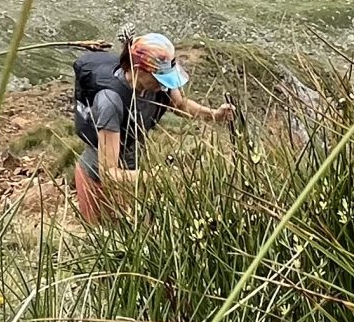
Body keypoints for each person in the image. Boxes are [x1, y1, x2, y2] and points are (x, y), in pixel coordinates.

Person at [71, 32, 235, 223]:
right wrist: (152, 177)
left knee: (137, 229)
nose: (165, 85)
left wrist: (214, 115)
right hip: (98, 180)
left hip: (134, 171)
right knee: (106, 235)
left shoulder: (160, 84)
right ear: (139, 70)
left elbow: (180, 105)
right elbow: (109, 173)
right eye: (159, 79)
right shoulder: (110, 102)